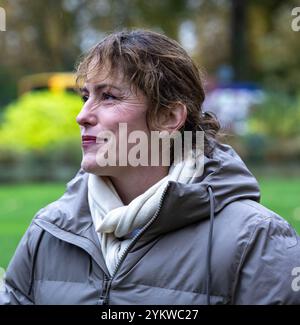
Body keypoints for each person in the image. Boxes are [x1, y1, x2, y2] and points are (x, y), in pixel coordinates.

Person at [1, 29, 300, 305]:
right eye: (85, 97)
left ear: (169, 118)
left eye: (108, 97)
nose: (82, 115)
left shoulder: (256, 240)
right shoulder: (49, 230)